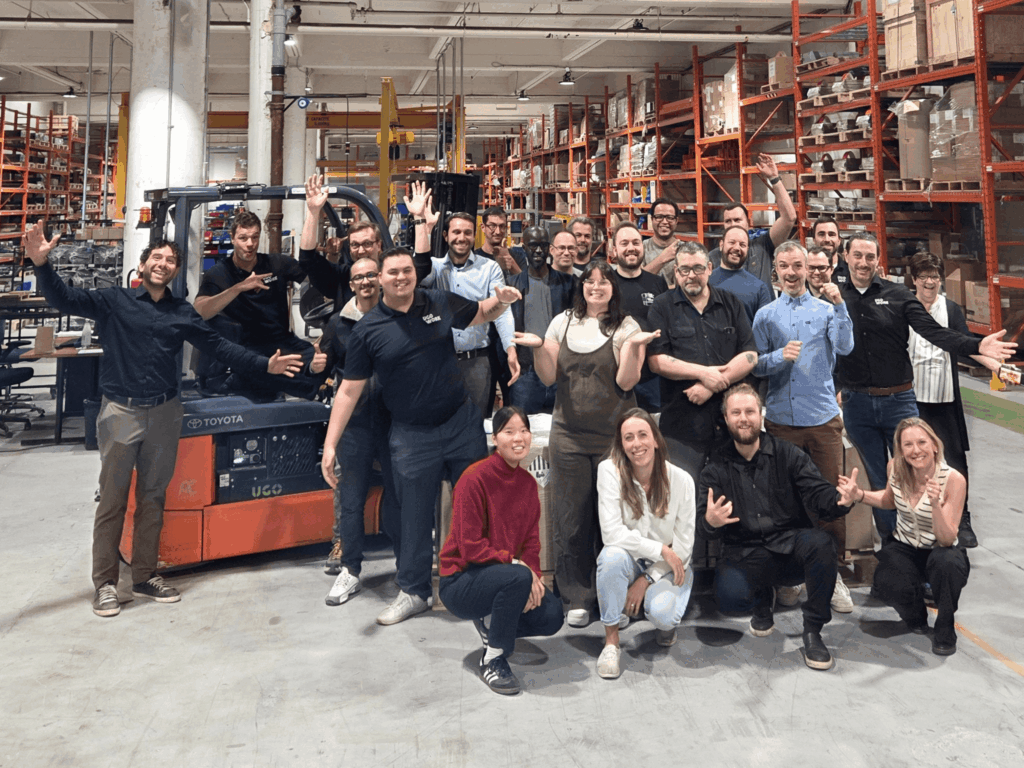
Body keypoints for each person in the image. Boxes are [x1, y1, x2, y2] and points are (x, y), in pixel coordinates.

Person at [23, 222, 303, 617]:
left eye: (171, 260)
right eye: (157, 257)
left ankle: (143, 575)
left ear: (174, 271)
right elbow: (65, 299)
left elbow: (220, 347)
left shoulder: (181, 312)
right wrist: (41, 265)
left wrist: (265, 365)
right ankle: (104, 583)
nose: (164, 264)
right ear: (142, 265)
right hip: (121, 411)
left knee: (153, 498)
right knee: (113, 500)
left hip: (165, 413)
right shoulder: (113, 301)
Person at [321, 247, 523, 626]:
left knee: (476, 505)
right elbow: (349, 390)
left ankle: (480, 580)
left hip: (460, 423)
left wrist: (500, 302)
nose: (402, 277)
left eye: (407, 271)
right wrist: (331, 444)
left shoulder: (438, 301)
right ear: (380, 279)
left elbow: (480, 313)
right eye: (393, 272)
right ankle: (414, 590)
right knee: (413, 516)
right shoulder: (368, 329)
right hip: (412, 436)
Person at [837, 232, 1015, 539]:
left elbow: (936, 333)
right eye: (857, 256)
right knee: (879, 478)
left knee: (916, 474)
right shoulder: (835, 298)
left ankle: (928, 542)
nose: (863, 263)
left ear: (878, 260)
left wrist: (977, 346)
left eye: (869, 257)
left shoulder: (897, 296)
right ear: (846, 256)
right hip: (858, 405)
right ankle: (895, 549)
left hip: (898, 402)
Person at [513, 260, 658, 628]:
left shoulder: (627, 326)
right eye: (589, 281)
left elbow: (626, 383)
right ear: (581, 287)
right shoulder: (562, 322)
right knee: (571, 517)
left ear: (613, 288)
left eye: (603, 282)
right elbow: (548, 378)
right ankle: (576, 596)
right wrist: (537, 348)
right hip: (569, 437)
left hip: (614, 439)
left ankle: (615, 595)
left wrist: (636, 349)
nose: (596, 287)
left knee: (616, 519)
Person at [699, 384, 860, 671]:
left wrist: (840, 500)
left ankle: (812, 631)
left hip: (789, 546)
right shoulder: (716, 466)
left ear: (760, 416)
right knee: (730, 599)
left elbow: (818, 493)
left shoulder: (788, 454)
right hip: (746, 551)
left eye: (749, 411)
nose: (744, 418)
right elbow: (705, 522)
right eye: (736, 412)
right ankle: (762, 598)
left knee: (822, 544)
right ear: (726, 419)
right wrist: (711, 522)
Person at [752, 241, 855, 613]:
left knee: (830, 498)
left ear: (808, 268)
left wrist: (841, 306)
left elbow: (844, 347)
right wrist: (778, 357)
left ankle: (834, 574)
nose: (792, 272)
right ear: (775, 270)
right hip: (780, 421)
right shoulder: (764, 315)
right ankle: (793, 575)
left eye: (798, 265)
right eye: (785, 266)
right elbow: (756, 365)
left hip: (823, 421)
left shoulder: (827, 310)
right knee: (786, 502)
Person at [438, 407, 564, 695]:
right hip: (461, 582)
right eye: (509, 431)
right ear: (495, 439)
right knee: (517, 577)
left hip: (505, 576)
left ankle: (491, 625)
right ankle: (493, 658)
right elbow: (468, 547)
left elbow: (532, 542)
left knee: (553, 614)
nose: (518, 438)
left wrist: (534, 576)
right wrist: (518, 566)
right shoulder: (474, 478)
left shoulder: (528, 485)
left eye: (523, 430)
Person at [839, 418, 970, 656]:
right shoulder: (895, 468)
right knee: (886, 580)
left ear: (935, 446)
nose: (916, 450)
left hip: (940, 549)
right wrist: (859, 495)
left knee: (947, 564)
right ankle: (915, 614)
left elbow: (947, 539)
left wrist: (934, 505)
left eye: (921, 442)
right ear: (900, 449)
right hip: (906, 545)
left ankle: (945, 625)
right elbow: (889, 500)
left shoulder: (953, 479)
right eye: (907, 444)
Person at [318, 257, 400, 602]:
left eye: (370, 275)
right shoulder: (338, 324)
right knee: (351, 500)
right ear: (350, 285)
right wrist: (314, 364)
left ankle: (407, 566)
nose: (365, 282)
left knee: (399, 496)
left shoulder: (396, 317)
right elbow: (324, 369)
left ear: (380, 279)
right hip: (355, 425)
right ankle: (351, 570)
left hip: (395, 421)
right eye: (359, 277)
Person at [907, 251, 1000, 547]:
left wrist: (989, 360)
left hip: (945, 398)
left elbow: (963, 342)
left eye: (934, 277)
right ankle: (918, 519)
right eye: (924, 277)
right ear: (914, 280)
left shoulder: (950, 309)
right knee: (914, 461)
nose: (930, 283)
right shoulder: (905, 307)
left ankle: (963, 519)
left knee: (955, 460)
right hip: (914, 398)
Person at [594, 409, 695, 679]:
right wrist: (660, 548)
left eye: (642, 435)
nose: (636, 444)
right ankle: (612, 643)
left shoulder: (682, 481)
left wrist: (647, 579)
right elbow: (611, 533)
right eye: (628, 438)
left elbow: (682, 550)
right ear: (622, 444)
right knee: (611, 557)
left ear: (656, 440)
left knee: (663, 615)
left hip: (667, 566)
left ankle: (658, 612)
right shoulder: (609, 471)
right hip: (631, 559)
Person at [647, 241, 758, 482]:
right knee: (684, 502)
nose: (691, 276)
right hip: (681, 428)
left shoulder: (730, 303)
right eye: (684, 270)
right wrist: (703, 373)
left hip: (729, 426)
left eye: (697, 268)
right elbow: (656, 360)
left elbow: (750, 355)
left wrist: (713, 383)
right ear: (675, 272)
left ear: (709, 268)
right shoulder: (662, 306)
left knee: (732, 497)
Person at [406, 185, 520, 418]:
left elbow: (501, 310)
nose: (462, 237)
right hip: (440, 361)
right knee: (440, 420)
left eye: (467, 232)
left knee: (477, 424)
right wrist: (423, 225)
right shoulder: (435, 268)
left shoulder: (488, 268)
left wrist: (510, 348)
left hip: (477, 362)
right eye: (456, 232)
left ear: (474, 235)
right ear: (446, 236)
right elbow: (419, 270)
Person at [194, 208, 322, 399]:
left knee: (322, 360)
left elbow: (315, 278)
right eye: (243, 238)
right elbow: (199, 311)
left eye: (255, 237)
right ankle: (309, 389)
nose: (250, 244)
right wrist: (237, 288)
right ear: (233, 237)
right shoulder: (219, 273)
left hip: (282, 341)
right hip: (246, 347)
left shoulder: (276, 263)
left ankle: (314, 390)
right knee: (263, 370)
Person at [507, 226, 575, 414]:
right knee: (524, 426)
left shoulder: (568, 284)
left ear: (549, 248)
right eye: (533, 245)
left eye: (543, 246)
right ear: (524, 247)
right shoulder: (512, 284)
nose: (538, 251)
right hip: (526, 372)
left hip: (560, 370)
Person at [708, 154, 796, 289]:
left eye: (737, 220)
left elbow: (789, 218)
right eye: (728, 221)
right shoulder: (713, 257)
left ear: (748, 223)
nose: (733, 225)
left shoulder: (763, 245)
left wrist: (774, 179)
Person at [299, 175, 385, 309]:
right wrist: (313, 211)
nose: (361, 251)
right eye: (355, 245)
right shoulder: (342, 277)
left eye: (367, 243)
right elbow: (307, 260)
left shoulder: (393, 274)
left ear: (378, 245)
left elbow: (423, 265)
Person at [610, 221, 668, 413]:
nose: (631, 248)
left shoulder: (657, 283)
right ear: (614, 250)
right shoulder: (605, 284)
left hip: (651, 380)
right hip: (613, 377)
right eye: (624, 243)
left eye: (636, 242)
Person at [708, 226, 775, 324]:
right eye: (732, 242)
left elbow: (765, 330)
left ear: (747, 249)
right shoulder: (705, 282)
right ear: (721, 245)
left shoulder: (759, 289)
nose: (736, 248)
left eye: (742, 245)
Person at [641, 198, 683, 285]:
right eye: (659, 217)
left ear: (676, 221)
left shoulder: (685, 249)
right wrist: (662, 258)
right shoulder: (641, 248)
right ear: (652, 219)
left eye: (670, 218)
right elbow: (637, 282)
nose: (664, 222)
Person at [475, 206, 526, 276]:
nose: (498, 232)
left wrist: (511, 264)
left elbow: (525, 285)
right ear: (483, 227)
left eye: (502, 226)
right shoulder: (475, 258)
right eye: (492, 226)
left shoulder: (517, 256)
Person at [811, 217, 848, 287]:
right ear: (814, 240)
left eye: (831, 234)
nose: (827, 239)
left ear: (839, 240)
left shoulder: (850, 272)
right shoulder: (806, 272)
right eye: (821, 234)